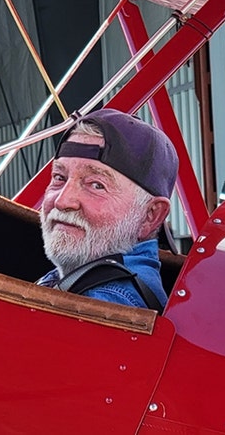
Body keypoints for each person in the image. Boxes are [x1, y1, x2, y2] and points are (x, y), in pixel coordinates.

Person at [35, 108, 178, 311]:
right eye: (59, 177)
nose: (62, 201)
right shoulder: (84, 279)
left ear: (150, 216)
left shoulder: (105, 300)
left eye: (96, 185)